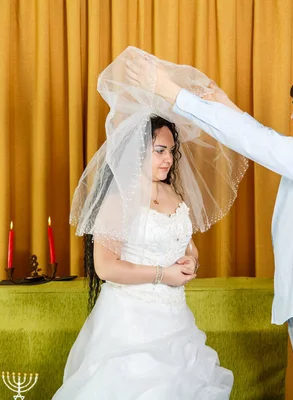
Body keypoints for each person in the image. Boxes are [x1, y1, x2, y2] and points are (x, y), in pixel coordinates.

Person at [126, 56, 293, 400]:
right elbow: (265, 140)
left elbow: (261, 144)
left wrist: (171, 91)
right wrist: (226, 106)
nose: (292, 116)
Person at [54, 47, 248, 400]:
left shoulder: (172, 195)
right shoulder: (118, 201)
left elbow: (184, 244)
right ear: (136, 149)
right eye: (160, 150)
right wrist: (163, 275)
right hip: (129, 324)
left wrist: (192, 260)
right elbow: (105, 266)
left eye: (171, 151)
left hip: (176, 322)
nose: (168, 158)